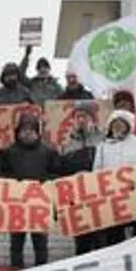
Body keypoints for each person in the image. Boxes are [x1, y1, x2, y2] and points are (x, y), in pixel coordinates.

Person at [0, 113, 60, 268]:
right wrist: (15, 184)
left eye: (31, 129)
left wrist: (44, 185)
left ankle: (42, 269)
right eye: (24, 129)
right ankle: (16, 270)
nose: (27, 133)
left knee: (40, 243)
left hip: (39, 204)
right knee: (16, 243)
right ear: (18, 132)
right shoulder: (7, 152)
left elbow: (57, 174)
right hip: (16, 204)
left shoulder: (49, 152)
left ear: (37, 132)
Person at [93, 109, 136, 247]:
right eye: (114, 124)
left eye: (121, 123)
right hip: (113, 204)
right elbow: (96, 175)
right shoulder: (103, 148)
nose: (117, 127)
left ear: (128, 125)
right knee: (114, 240)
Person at [57, 101, 106, 254]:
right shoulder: (67, 143)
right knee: (81, 236)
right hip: (77, 196)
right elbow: (62, 170)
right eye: (78, 117)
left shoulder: (103, 139)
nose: (81, 120)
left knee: (100, 236)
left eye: (84, 116)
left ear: (92, 119)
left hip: (99, 194)